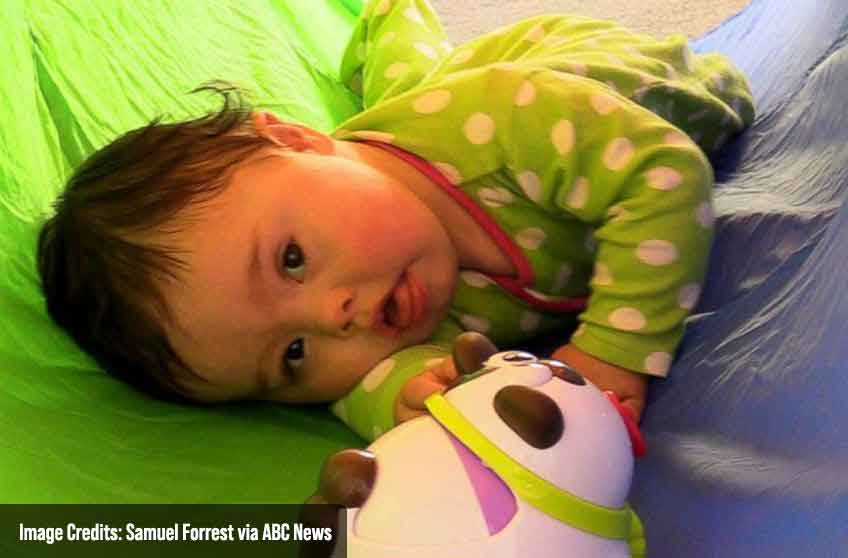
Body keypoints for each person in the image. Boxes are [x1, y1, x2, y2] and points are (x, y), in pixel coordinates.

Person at [36, 0, 754, 442]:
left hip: (591, 83)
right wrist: (412, 400)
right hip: (382, 157)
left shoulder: (505, 122)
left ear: (293, 138)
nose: (335, 317)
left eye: (291, 259)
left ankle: (388, 17)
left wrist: (614, 352)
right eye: (291, 356)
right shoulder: (382, 312)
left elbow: (667, 173)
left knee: (430, 82)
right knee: (410, 87)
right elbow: (364, 388)